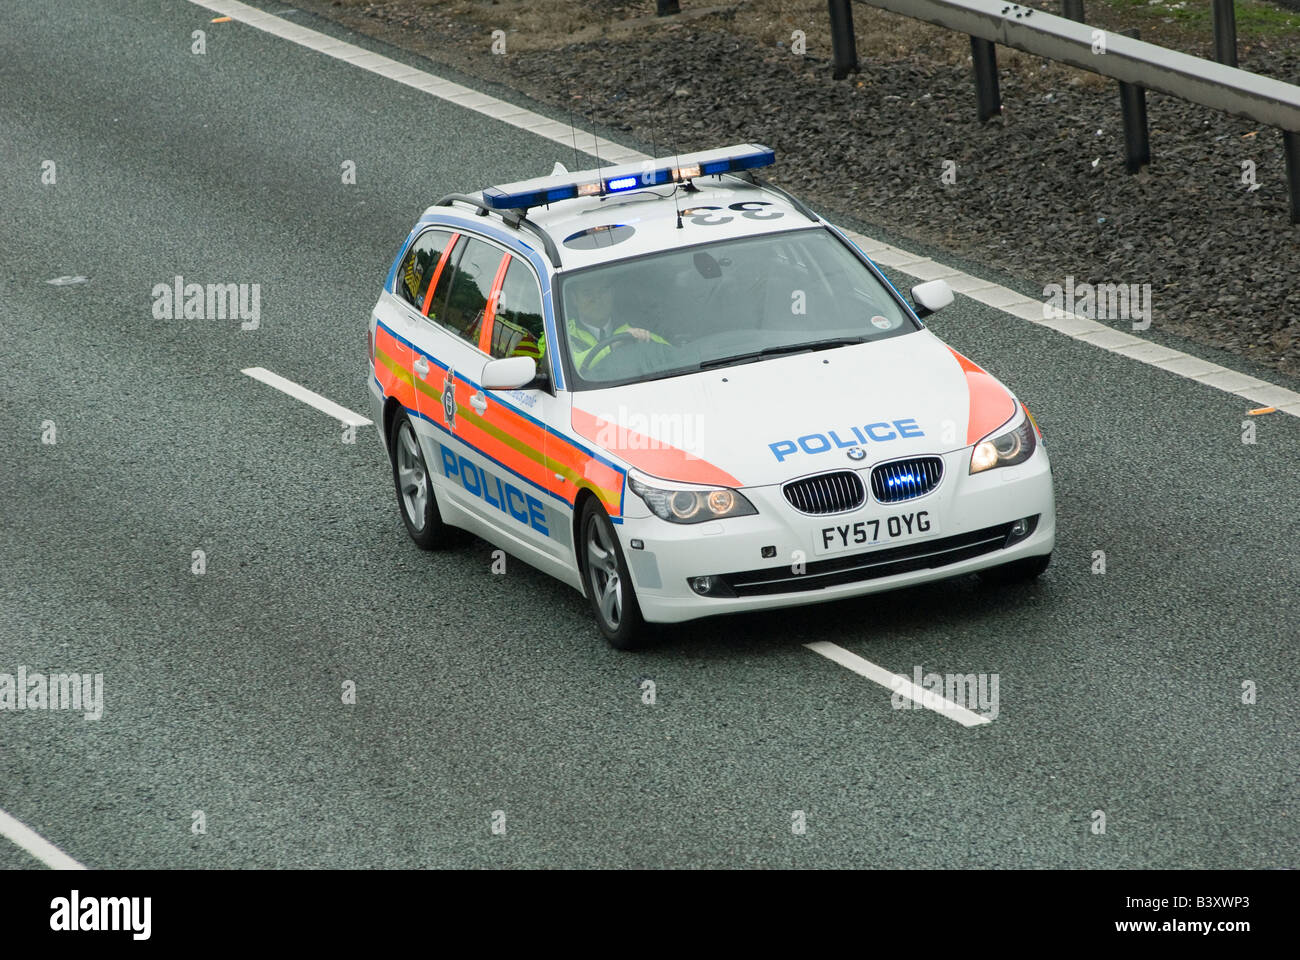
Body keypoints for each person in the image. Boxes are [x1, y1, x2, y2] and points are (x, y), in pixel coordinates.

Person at [539, 282, 667, 372]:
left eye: (603, 291)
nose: (597, 299)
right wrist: (611, 346)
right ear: (574, 299)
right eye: (587, 293)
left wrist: (646, 341)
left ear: (612, 294)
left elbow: (669, 351)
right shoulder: (557, 334)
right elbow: (559, 369)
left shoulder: (634, 325)